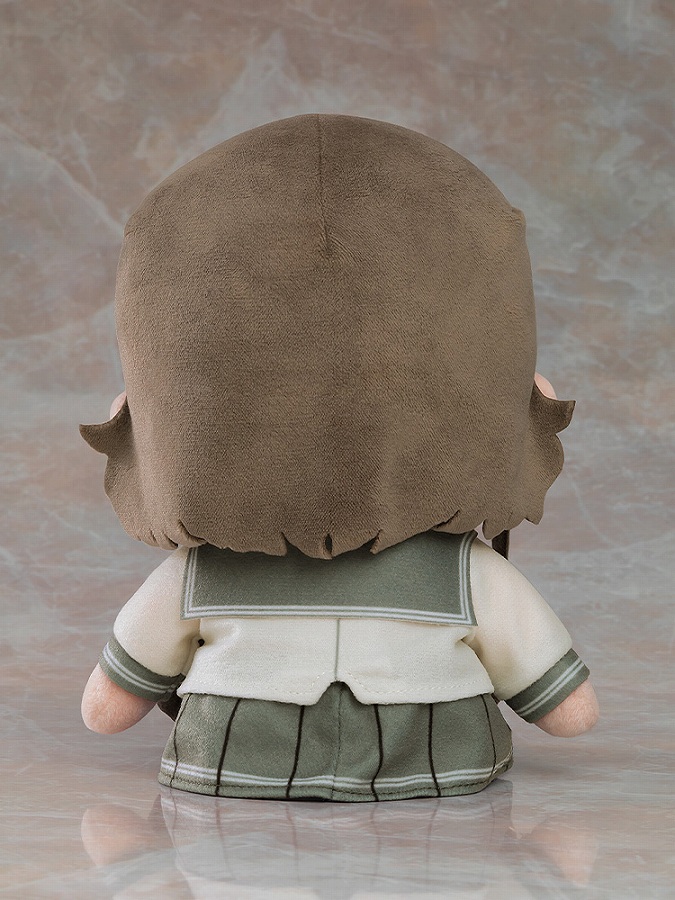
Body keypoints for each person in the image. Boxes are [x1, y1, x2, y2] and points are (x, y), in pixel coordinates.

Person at [81, 114, 598, 800]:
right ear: (528, 396)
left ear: (138, 411)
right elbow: (571, 714)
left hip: (229, 764)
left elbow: (106, 709)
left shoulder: (198, 576)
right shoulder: (466, 576)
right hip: (440, 766)